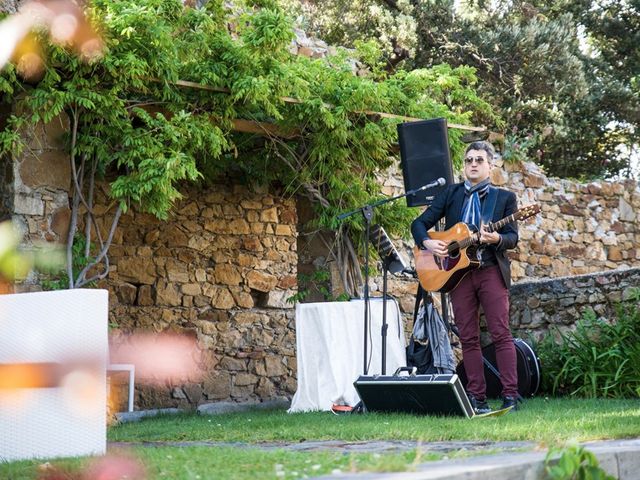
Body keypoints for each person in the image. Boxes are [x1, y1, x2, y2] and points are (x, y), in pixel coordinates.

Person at [410, 141, 519, 414]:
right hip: (458, 275)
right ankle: (476, 398)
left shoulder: (504, 198)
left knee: (501, 333)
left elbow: (513, 238)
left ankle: (510, 396)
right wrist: (427, 243)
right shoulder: (451, 193)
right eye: (469, 159)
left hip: (490, 270)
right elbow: (419, 223)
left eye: (479, 160)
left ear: (490, 165)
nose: (473, 164)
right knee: (468, 338)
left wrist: (496, 238)